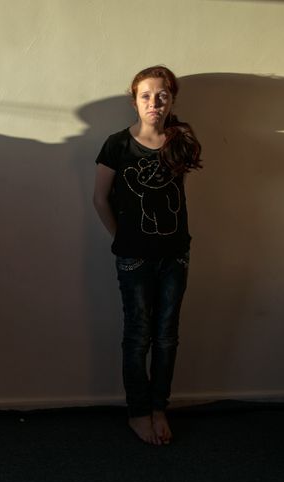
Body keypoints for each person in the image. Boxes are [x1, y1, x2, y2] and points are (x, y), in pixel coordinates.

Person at [92, 65, 202, 446]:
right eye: (146, 95)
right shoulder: (117, 145)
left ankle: (159, 408)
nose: (154, 102)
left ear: (171, 99)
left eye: (162, 95)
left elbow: (178, 192)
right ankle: (138, 412)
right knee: (138, 336)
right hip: (134, 258)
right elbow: (99, 199)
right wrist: (123, 239)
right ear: (134, 100)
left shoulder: (180, 142)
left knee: (167, 336)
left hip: (176, 255)